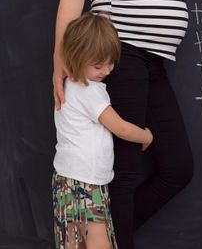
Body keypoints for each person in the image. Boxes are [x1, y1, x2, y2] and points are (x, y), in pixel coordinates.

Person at [53, 0, 194, 247]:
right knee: (124, 176)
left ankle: (105, 235)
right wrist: (61, 57)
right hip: (120, 53)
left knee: (177, 169)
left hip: (155, 59)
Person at [52, 13, 153, 249]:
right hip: (87, 182)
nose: (107, 71)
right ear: (75, 57)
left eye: (111, 63)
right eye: (98, 65)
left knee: (73, 242)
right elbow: (120, 128)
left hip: (64, 179)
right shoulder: (91, 91)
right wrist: (146, 136)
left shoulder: (68, 85)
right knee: (99, 243)